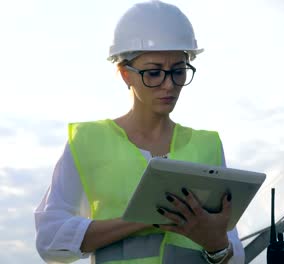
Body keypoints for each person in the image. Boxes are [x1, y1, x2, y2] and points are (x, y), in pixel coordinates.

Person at [34, 1, 245, 263]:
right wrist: (143, 219)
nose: (169, 85)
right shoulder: (88, 142)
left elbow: (234, 256)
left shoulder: (208, 145)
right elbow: (50, 239)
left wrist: (217, 245)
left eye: (179, 71)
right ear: (125, 74)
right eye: (154, 73)